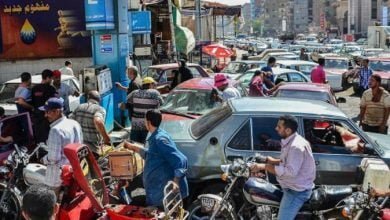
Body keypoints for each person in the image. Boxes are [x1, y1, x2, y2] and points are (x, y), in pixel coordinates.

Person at [250, 115, 316, 220]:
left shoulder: (296, 146)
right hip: (290, 186)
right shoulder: (291, 141)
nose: (276, 129)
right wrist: (271, 161)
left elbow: (290, 172)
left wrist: (264, 166)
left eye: (279, 127)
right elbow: (288, 162)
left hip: (296, 192)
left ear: (288, 130)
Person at [123, 109, 188, 207]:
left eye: (145, 120)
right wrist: (132, 147)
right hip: (156, 190)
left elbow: (181, 159)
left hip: (163, 193)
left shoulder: (160, 139)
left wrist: (176, 181)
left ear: (148, 122)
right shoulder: (156, 136)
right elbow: (152, 155)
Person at [40, 97, 83, 189]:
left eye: (48, 112)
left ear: (57, 111)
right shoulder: (74, 123)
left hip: (57, 176)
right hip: (73, 170)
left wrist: (43, 160)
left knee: (52, 201)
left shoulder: (55, 130)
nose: (45, 115)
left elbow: (53, 158)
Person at [121, 77, 163, 143]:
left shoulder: (134, 93)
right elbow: (162, 104)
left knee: (134, 146)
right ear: (150, 85)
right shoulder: (155, 93)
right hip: (148, 126)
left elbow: (125, 105)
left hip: (135, 125)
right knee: (146, 147)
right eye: (153, 85)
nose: (154, 86)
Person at [70, 90, 111, 155]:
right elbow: (98, 121)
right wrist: (106, 138)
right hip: (92, 149)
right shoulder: (100, 109)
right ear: (99, 100)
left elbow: (70, 121)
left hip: (78, 147)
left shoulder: (79, 107)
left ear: (88, 98)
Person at [31, 69, 57, 143]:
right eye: (51, 78)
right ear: (48, 78)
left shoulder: (34, 88)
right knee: (48, 137)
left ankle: (39, 152)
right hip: (48, 116)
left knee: (39, 137)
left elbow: (33, 102)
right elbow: (54, 103)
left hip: (36, 116)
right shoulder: (51, 89)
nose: (52, 80)